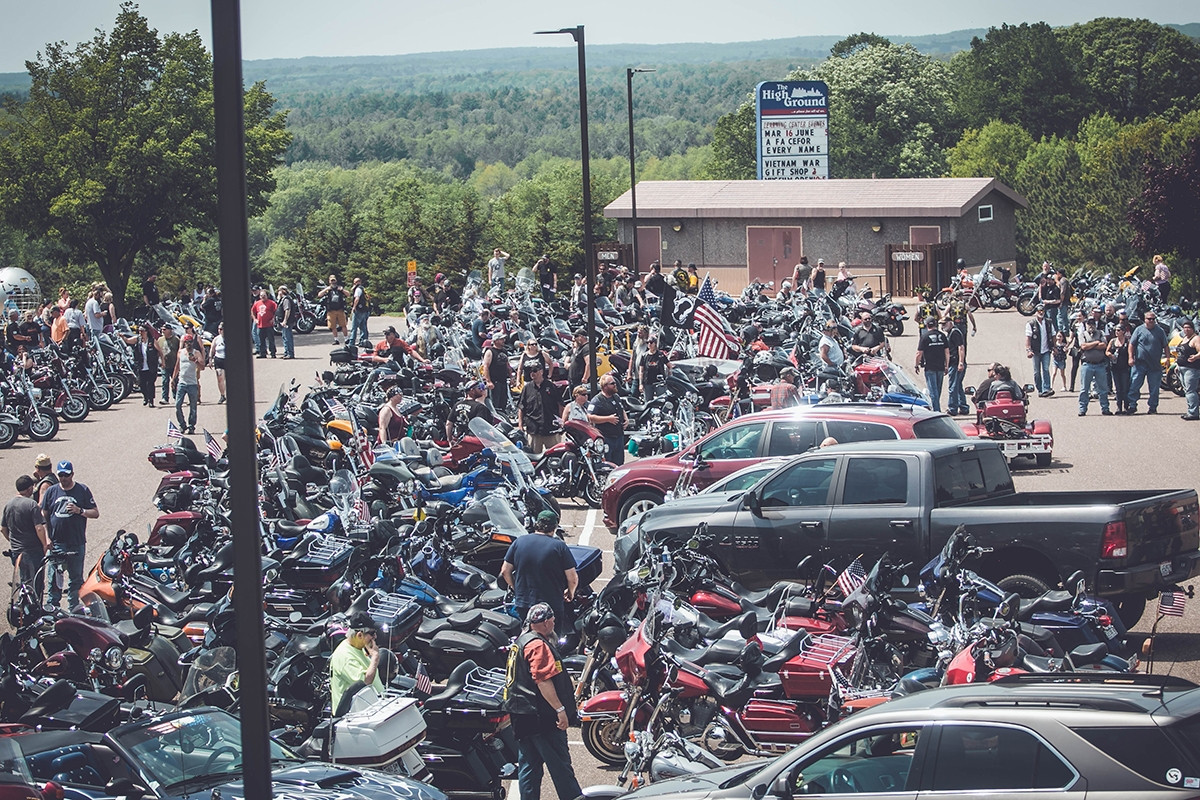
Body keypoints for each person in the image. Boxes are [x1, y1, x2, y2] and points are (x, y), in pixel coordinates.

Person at [503, 603, 583, 800]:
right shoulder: (537, 645)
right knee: (560, 764)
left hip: (522, 715)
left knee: (529, 765)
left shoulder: (522, 640)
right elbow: (543, 680)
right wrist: (560, 709)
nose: (555, 621)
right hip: (541, 716)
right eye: (552, 618)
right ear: (545, 622)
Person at [40, 461, 98, 611]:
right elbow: (44, 515)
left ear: (72, 474)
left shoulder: (82, 490)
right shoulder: (51, 491)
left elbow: (95, 513)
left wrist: (80, 510)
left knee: (76, 578)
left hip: (76, 542)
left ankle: (74, 608)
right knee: (54, 578)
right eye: (61, 475)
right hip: (57, 543)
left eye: (66, 475)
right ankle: (53, 608)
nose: (63, 478)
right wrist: (47, 538)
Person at [501, 510, 577, 624]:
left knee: (528, 636)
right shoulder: (559, 546)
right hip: (551, 604)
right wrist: (571, 592)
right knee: (551, 638)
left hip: (524, 603)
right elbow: (572, 578)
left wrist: (515, 587)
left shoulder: (519, 541)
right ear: (554, 527)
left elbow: (505, 571)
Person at [3, 475, 48, 605]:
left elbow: (3, 529)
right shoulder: (31, 504)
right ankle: (33, 611)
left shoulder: (9, 504)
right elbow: (39, 528)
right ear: (29, 489)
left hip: (17, 551)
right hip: (32, 550)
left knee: (23, 581)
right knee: (35, 584)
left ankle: (21, 608)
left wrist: (12, 541)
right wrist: (44, 544)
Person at [329, 611, 384, 715]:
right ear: (359, 635)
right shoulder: (345, 656)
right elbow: (365, 683)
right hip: (353, 717)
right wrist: (375, 658)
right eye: (372, 633)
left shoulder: (359, 646)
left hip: (371, 709)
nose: (375, 637)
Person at [1125, 311, 1168, 415]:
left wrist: (1167, 358)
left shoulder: (1160, 331)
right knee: (1135, 384)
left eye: (1153, 319)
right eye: (1149, 319)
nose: (1152, 321)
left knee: (1154, 388)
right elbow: (1131, 345)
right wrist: (1130, 357)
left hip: (1154, 365)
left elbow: (1165, 345)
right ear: (1145, 319)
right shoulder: (1139, 330)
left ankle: (1153, 407)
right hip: (1140, 363)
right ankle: (1132, 405)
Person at [517, 363, 562, 456]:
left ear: (541, 372)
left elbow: (560, 405)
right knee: (533, 458)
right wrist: (520, 425)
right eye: (530, 371)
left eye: (535, 371)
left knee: (556, 457)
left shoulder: (551, 386)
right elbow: (521, 408)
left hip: (550, 429)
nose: (532, 373)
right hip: (533, 430)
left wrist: (561, 422)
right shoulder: (526, 388)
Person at [587, 374, 627, 466]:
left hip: (619, 436)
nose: (615, 385)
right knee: (607, 464)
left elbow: (621, 408)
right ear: (605, 386)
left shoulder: (616, 397)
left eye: (615, 383)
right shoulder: (597, 400)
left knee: (619, 464)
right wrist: (608, 419)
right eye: (612, 383)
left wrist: (626, 418)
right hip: (606, 438)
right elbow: (590, 417)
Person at [1077, 316, 1112, 416]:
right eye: (1089, 324)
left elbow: (1104, 345)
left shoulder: (1100, 333)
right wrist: (1096, 342)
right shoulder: (1083, 334)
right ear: (1086, 325)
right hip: (1087, 364)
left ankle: (1105, 408)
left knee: (1103, 389)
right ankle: (1082, 409)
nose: (1091, 325)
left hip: (1100, 365)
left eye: (1093, 323)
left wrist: (1091, 345)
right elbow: (1083, 346)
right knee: (1084, 389)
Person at [914, 316, 948, 412]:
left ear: (926, 325)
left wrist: (916, 365)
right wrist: (947, 365)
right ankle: (936, 408)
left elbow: (919, 353)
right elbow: (947, 352)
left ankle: (936, 411)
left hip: (930, 367)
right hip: (941, 366)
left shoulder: (924, 337)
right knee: (938, 390)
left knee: (933, 392)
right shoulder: (942, 336)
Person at [124, 324, 162, 406]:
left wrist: (161, 361)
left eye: (142, 331)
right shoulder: (137, 340)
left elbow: (160, 351)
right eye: (139, 331)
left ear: (146, 332)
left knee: (151, 383)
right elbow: (127, 340)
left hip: (151, 366)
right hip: (141, 366)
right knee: (142, 383)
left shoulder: (152, 340)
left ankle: (151, 400)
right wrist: (121, 336)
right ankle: (145, 397)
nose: (140, 333)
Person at [173, 334, 204, 435]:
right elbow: (177, 365)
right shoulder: (180, 352)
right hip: (182, 382)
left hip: (192, 384)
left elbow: (202, 366)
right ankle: (182, 425)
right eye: (186, 342)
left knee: (193, 407)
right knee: (177, 405)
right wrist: (173, 378)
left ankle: (191, 427)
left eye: (190, 342)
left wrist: (195, 360)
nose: (188, 344)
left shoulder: (196, 352)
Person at [1025, 305, 1054, 397]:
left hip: (1046, 350)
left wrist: (1054, 347)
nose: (1041, 312)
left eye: (1042, 311)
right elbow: (1028, 338)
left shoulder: (1049, 322)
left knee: (1046, 369)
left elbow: (1053, 335)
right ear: (1036, 312)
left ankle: (1047, 389)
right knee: (1037, 371)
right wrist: (1028, 350)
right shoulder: (1031, 323)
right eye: (1039, 311)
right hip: (1036, 351)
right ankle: (1040, 390)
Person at [942, 316, 968, 415]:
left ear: (950, 323)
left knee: (953, 387)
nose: (943, 326)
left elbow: (961, 348)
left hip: (955, 363)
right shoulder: (950, 333)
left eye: (945, 324)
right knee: (957, 386)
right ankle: (963, 407)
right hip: (954, 363)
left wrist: (961, 363)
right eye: (942, 324)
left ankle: (952, 408)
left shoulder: (955, 332)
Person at [1177, 319, 1200, 421]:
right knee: (1187, 391)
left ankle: (1193, 413)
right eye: (1184, 327)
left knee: (1191, 391)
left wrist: (1195, 357)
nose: (1186, 329)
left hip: (1191, 369)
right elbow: (1181, 353)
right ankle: (1190, 410)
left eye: (1188, 327)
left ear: (1192, 328)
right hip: (1182, 367)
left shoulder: (1196, 339)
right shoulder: (1185, 338)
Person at [1107, 323, 1133, 414]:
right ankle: (1119, 407)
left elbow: (1130, 353)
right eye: (1116, 330)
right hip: (1115, 367)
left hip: (1125, 367)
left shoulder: (1127, 342)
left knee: (1125, 387)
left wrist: (1131, 360)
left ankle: (1126, 406)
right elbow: (1107, 351)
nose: (1116, 332)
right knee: (1118, 388)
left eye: (1118, 330)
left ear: (1123, 332)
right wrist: (1110, 354)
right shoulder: (1112, 341)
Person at [482, 331, 511, 413]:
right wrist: (488, 381)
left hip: (503, 380)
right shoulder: (490, 352)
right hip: (495, 381)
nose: (503, 341)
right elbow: (486, 367)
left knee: (503, 401)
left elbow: (507, 365)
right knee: (495, 403)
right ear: (496, 341)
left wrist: (511, 376)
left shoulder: (504, 351)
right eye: (501, 339)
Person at [318, 274, 349, 344]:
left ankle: (346, 339)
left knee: (343, 325)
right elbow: (319, 295)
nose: (333, 282)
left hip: (340, 310)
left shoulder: (340, 288)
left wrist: (342, 290)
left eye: (334, 280)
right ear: (329, 281)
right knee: (333, 326)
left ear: (336, 280)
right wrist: (326, 289)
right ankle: (336, 340)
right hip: (331, 310)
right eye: (331, 280)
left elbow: (348, 294)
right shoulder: (328, 290)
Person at [639, 336, 671, 400]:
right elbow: (641, 371)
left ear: (655, 343)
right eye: (647, 342)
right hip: (648, 382)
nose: (649, 344)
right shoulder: (644, 356)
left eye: (651, 342)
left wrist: (669, 377)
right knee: (648, 401)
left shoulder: (660, 355)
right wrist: (641, 384)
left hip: (659, 382)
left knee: (662, 400)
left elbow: (669, 366)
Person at [157, 326, 181, 405]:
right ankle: (165, 398)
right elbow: (158, 351)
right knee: (165, 381)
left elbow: (179, 351)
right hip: (164, 365)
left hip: (174, 364)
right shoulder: (160, 340)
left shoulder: (176, 339)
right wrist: (160, 361)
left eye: (165, 329)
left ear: (170, 330)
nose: (163, 331)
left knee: (175, 381)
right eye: (162, 329)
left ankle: (176, 397)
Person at [252, 288, 277, 359]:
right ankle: (262, 353)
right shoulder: (257, 303)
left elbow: (276, 311)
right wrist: (255, 319)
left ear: (267, 296)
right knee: (261, 340)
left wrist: (273, 319)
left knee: (271, 339)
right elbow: (252, 311)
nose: (262, 297)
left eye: (264, 295)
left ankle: (273, 353)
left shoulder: (272, 303)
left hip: (269, 325)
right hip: (260, 325)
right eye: (261, 295)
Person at [628, 324, 649, 396]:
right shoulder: (636, 344)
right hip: (636, 376)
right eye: (638, 332)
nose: (638, 334)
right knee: (632, 395)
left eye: (640, 333)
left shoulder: (649, 345)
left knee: (647, 397)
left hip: (646, 377)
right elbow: (632, 358)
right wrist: (629, 373)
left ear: (646, 334)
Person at [276, 285, 296, 359]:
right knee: (285, 337)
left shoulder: (286, 300)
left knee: (287, 337)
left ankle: (290, 353)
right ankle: (286, 352)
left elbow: (287, 310)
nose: (278, 292)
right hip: (283, 322)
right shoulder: (282, 299)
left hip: (286, 322)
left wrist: (285, 320)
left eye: (279, 291)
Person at [350, 277, 370, 347]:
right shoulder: (363, 289)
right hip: (365, 310)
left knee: (354, 327)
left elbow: (357, 298)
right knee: (363, 327)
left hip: (359, 310)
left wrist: (354, 307)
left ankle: (351, 342)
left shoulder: (358, 289)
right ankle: (364, 341)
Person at [210, 323, 227, 404]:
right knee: (220, 378)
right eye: (218, 329)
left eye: (221, 329)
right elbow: (212, 349)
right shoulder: (216, 339)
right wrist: (210, 359)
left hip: (228, 360)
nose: (219, 331)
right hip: (219, 360)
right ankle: (222, 395)